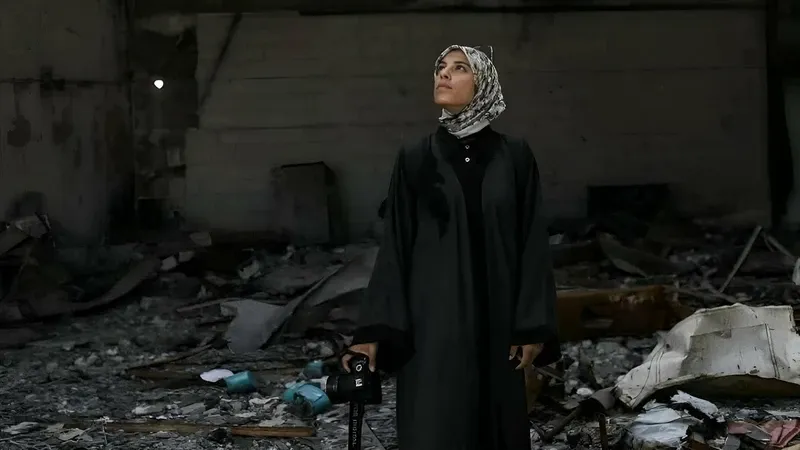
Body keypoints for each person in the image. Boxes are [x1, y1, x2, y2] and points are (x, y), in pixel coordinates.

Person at [342, 45, 560, 450]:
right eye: (440, 68)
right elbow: (396, 246)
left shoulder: (514, 156)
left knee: (495, 428)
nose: (443, 74)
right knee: (435, 424)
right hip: (433, 326)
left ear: (483, 83)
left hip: (498, 324)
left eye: (459, 69)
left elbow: (531, 242)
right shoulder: (415, 157)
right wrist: (372, 330)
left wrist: (532, 326)